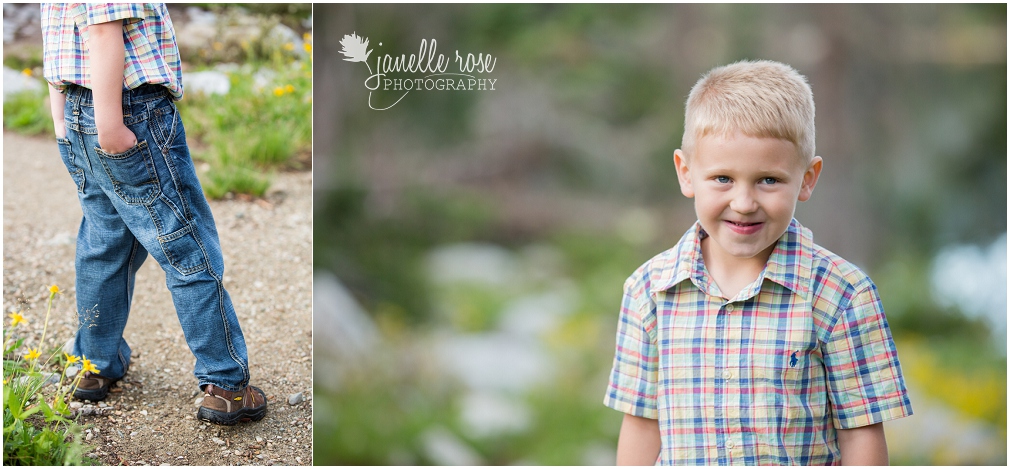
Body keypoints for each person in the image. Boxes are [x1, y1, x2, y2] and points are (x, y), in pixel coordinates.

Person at [604, 60, 912, 465]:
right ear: (686, 173)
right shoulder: (649, 291)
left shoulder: (843, 295)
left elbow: (862, 436)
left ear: (807, 178)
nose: (744, 203)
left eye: (769, 179)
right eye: (722, 179)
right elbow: (642, 427)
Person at [42, 3, 267, 425]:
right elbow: (104, 32)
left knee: (104, 246)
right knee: (186, 248)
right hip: (128, 114)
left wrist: (62, 124)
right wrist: (110, 125)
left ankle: (92, 367)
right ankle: (226, 386)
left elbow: (58, 41)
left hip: (74, 111)